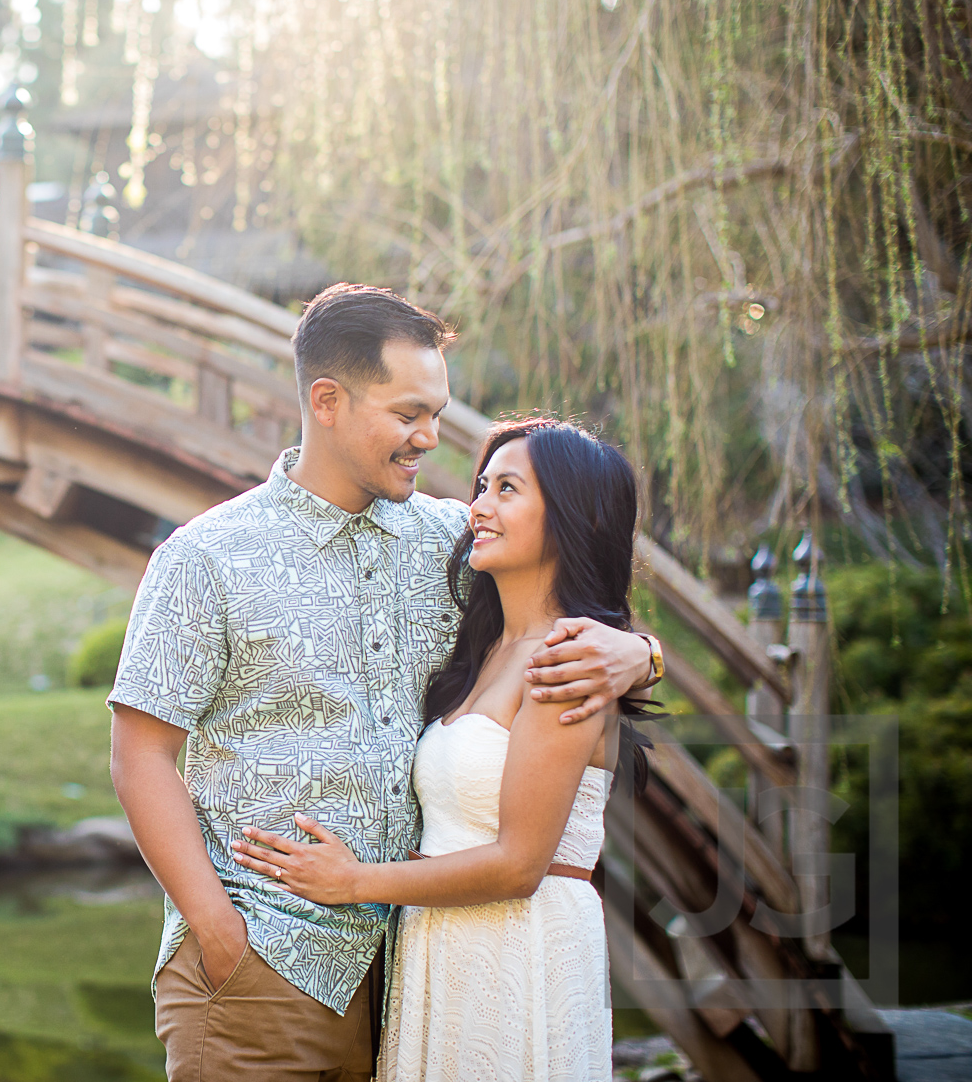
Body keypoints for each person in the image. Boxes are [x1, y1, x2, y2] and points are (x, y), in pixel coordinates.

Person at [108, 285, 661, 1082]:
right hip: (265, 963)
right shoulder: (207, 557)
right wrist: (218, 928)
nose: (429, 439)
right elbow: (140, 757)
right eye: (409, 414)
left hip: (417, 967)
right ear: (327, 401)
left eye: (435, 414)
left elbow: (574, 581)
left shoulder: (448, 541)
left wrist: (641, 654)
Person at [230, 418, 652, 1081]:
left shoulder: (567, 662)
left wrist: (355, 883)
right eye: (482, 484)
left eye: (507, 489)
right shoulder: (487, 649)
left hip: (517, 945)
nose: (478, 506)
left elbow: (519, 864)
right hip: (446, 939)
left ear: (573, 515)